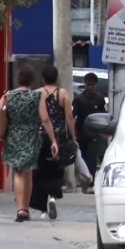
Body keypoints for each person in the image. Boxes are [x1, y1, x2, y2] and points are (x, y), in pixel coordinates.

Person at [0, 65, 59, 222]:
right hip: (31, 136)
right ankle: (25, 207)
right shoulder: (36, 97)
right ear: (32, 80)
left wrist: (2, 131)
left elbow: (0, 110)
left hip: (13, 135)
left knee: (18, 172)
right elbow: (45, 119)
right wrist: (53, 140)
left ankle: (20, 209)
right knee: (29, 172)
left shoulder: (8, 96)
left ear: (18, 79)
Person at [32, 66, 77, 220]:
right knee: (57, 169)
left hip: (40, 136)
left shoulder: (37, 93)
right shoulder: (62, 93)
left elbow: (36, 117)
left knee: (40, 171)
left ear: (43, 78)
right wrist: (73, 136)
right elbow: (69, 117)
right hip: (59, 136)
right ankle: (53, 196)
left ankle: (42, 209)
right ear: (56, 78)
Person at [72, 72, 106, 192]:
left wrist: (104, 133)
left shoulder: (99, 99)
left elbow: (103, 115)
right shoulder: (78, 99)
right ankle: (84, 183)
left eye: (92, 85)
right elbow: (72, 115)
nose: (90, 87)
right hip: (81, 134)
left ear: (95, 85)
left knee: (92, 159)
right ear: (85, 84)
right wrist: (73, 132)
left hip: (94, 135)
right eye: (88, 85)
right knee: (83, 159)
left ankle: (90, 184)